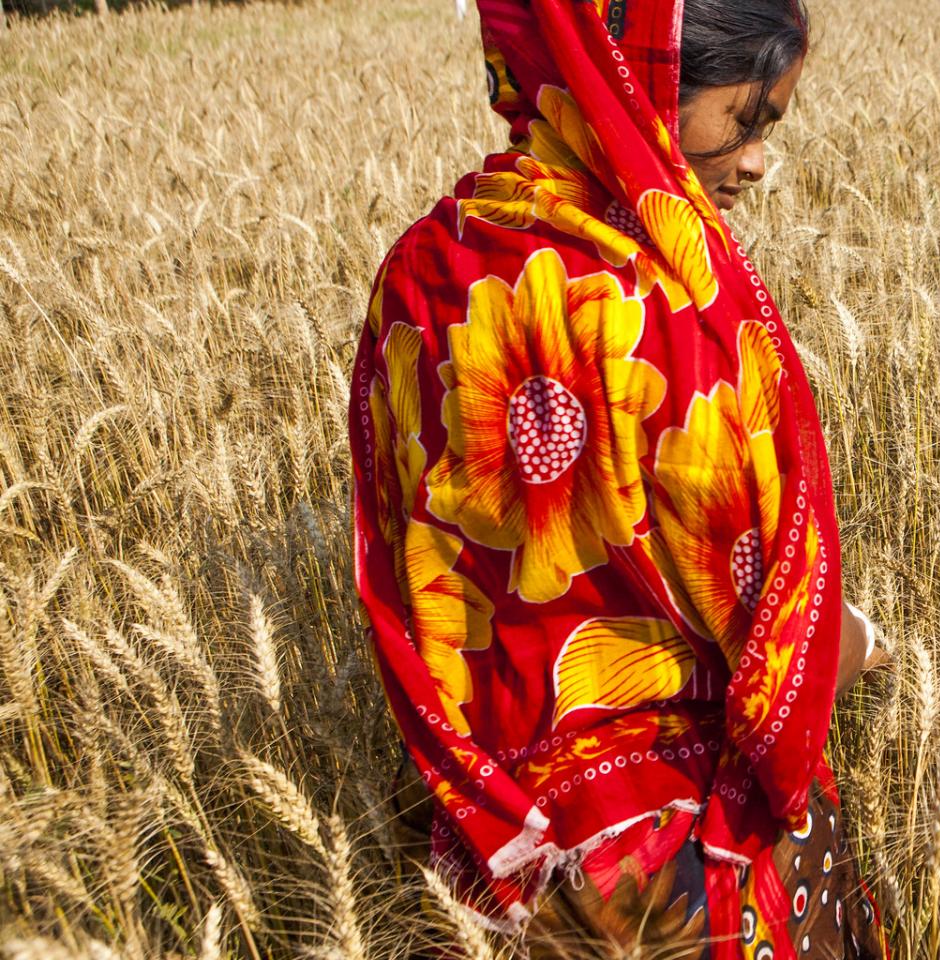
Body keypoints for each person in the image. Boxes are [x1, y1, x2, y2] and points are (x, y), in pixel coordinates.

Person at [345, 0, 890, 956]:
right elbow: (772, 647)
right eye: (747, 119)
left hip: (492, 869)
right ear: (638, 80)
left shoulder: (423, 267)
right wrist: (856, 643)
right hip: (682, 886)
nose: (759, 161)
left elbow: (398, 575)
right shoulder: (673, 305)